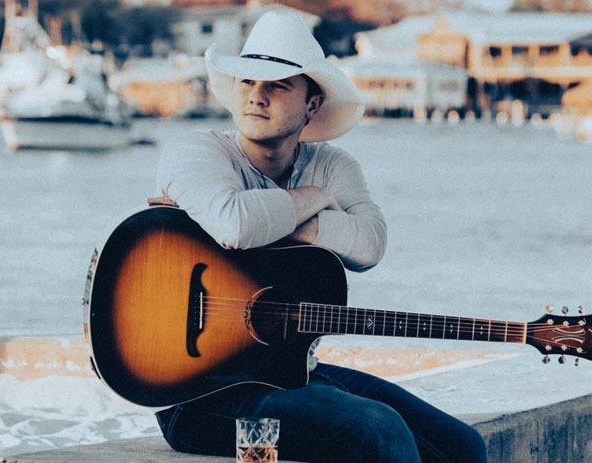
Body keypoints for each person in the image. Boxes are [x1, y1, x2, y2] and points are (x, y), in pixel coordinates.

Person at [153, 11, 487, 463]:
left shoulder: (334, 166)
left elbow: (370, 245)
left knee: (464, 446)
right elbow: (235, 224)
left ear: (312, 105)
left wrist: (297, 222)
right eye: (249, 82)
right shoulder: (198, 153)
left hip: (293, 372)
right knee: (378, 431)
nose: (257, 96)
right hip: (198, 395)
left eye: (277, 85)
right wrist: (313, 197)